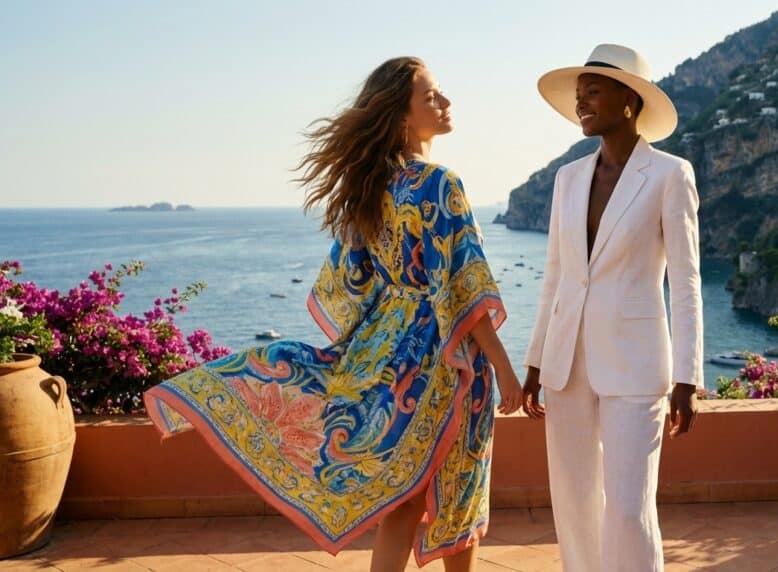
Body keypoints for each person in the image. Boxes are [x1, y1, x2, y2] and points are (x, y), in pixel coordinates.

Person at [144, 57, 521, 572]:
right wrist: (501, 364)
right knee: (462, 483)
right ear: (401, 113)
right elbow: (463, 283)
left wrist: (365, 349)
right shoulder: (440, 184)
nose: (445, 102)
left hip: (388, 355)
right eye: (431, 96)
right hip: (450, 357)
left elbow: (350, 283)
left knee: (404, 494)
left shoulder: (369, 187)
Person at [522, 44, 703, 572]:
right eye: (578, 96)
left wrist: (688, 377)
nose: (581, 102)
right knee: (576, 505)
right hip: (567, 364)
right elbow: (555, 276)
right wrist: (536, 360)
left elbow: (687, 281)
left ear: (629, 99)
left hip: (637, 364)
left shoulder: (671, 174)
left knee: (628, 509)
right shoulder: (567, 179)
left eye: (592, 92)